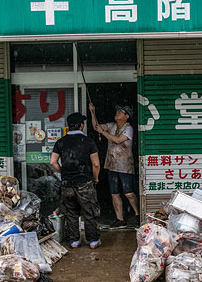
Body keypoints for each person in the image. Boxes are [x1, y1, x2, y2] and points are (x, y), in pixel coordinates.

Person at [50, 112, 102, 249]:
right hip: (84, 182)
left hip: (67, 184)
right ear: (81, 125)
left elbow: (53, 162)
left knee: (71, 213)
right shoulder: (88, 142)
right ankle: (93, 241)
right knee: (89, 212)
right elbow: (96, 164)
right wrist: (95, 177)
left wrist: (64, 172)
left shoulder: (60, 142)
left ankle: (74, 241)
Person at [88, 102, 139, 228]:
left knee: (128, 193)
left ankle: (138, 214)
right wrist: (92, 112)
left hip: (125, 165)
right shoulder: (111, 126)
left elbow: (117, 140)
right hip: (112, 165)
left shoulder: (128, 128)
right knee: (114, 193)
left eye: (120, 112)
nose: (117, 113)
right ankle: (120, 219)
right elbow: (96, 126)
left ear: (126, 116)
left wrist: (103, 133)